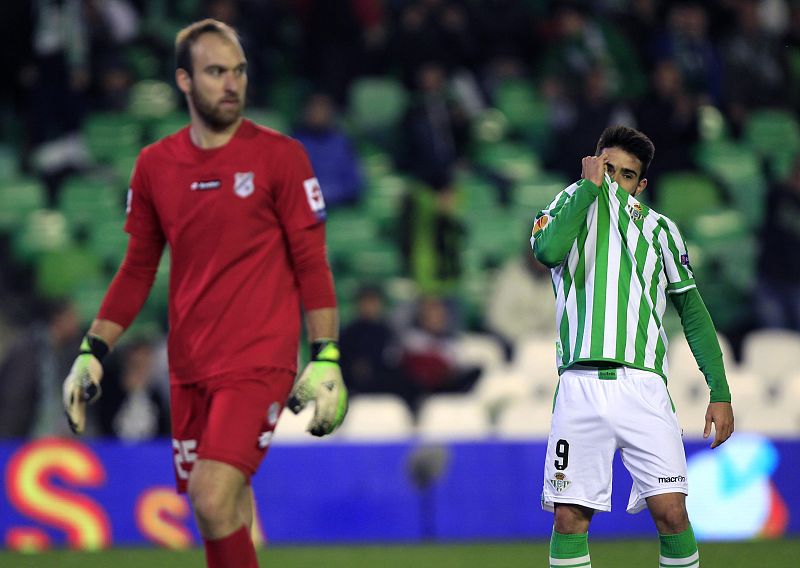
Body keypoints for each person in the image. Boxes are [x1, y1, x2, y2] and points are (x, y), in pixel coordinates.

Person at [60, 19, 348, 568]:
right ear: (184, 81)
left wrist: (326, 355)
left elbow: (312, 262)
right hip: (189, 365)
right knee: (226, 510)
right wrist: (92, 351)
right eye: (216, 71)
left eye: (238, 70)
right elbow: (137, 269)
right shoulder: (154, 166)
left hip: (258, 360)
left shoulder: (280, 158)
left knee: (211, 496)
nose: (231, 83)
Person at [530, 126, 734, 568]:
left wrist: (719, 390)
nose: (614, 179)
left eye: (626, 174)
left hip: (642, 387)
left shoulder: (662, 231)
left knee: (672, 512)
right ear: (592, 163)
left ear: (639, 185)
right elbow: (546, 250)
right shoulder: (564, 209)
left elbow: (693, 314)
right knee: (569, 518)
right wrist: (587, 189)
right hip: (580, 386)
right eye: (607, 167)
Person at [0, 299, 81, 438]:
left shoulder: (64, 352)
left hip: (51, 441)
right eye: (72, 317)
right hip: (24, 441)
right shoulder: (29, 351)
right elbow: (14, 399)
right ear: (57, 318)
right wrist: (8, 443)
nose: (77, 324)